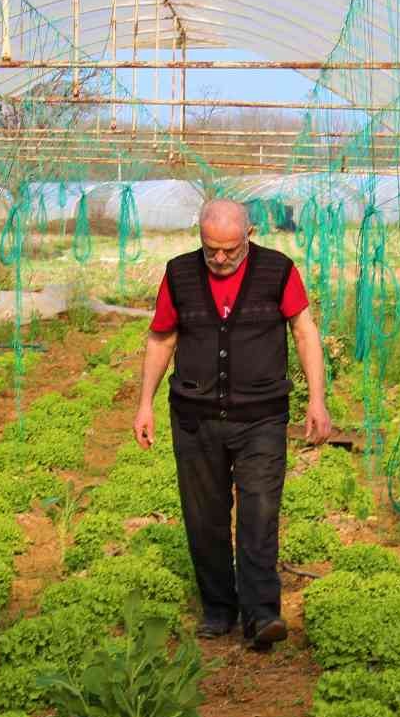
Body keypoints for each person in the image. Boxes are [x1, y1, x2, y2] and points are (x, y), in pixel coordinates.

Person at [133, 198, 332, 651]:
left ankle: (262, 614)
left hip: (261, 415)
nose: (220, 259)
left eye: (230, 250)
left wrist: (316, 400)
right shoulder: (180, 274)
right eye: (211, 250)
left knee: (259, 512)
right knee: (204, 517)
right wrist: (144, 403)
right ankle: (219, 609)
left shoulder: (278, 270)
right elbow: (162, 337)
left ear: (250, 234)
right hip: (194, 417)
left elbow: (304, 331)